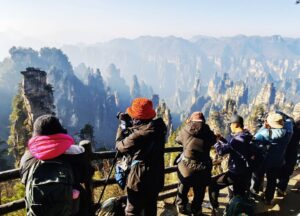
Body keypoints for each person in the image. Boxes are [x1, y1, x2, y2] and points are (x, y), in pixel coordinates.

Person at [20, 114, 93, 216]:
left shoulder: (27, 158)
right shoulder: (75, 152)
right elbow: (87, 174)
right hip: (74, 211)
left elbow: (24, 180)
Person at [115, 97, 167, 216]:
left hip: (139, 180)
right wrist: (132, 125)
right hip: (156, 177)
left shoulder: (138, 135)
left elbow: (119, 146)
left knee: (132, 211)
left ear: (137, 118)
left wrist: (122, 126)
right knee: (151, 208)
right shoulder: (159, 128)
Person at [174, 112, 216, 215]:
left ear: (191, 119)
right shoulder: (208, 131)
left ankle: (182, 207)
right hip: (203, 167)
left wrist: (187, 125)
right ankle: (196, 209)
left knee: (183, 186)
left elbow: (177, 139)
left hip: (187, 167)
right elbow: (213, 141)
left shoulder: (186, 129)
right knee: (200, 190)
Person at [209, 114, 253, 212]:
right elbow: (232, 147)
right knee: (238, 196)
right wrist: (222, 139)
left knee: (213, 184)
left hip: (235, 173)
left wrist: (215, 142)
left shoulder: (237, 139)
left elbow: (221, 152)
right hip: (245, 173)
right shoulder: (247, 136)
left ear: (236, 124)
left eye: (231, 124)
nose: (229, 126)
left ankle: (214, 207)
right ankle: (236, 210)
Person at [251, 112, 293, 204]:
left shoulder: (266, 134)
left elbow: (254, 139)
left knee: (257, 176)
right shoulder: (289, 130)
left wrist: (264, 125)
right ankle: (268, 199)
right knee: (272, 180)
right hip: (278, 160)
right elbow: (289, 119)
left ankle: (254, 193)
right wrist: (278, 114)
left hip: (264, 161)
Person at [277, 117, 300, 196]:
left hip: (283, 152)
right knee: (287, 172)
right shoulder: (297, 132)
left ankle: (278, 185)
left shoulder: (287, 130)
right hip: (292, 153)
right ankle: (281, 188)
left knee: (281, 168)